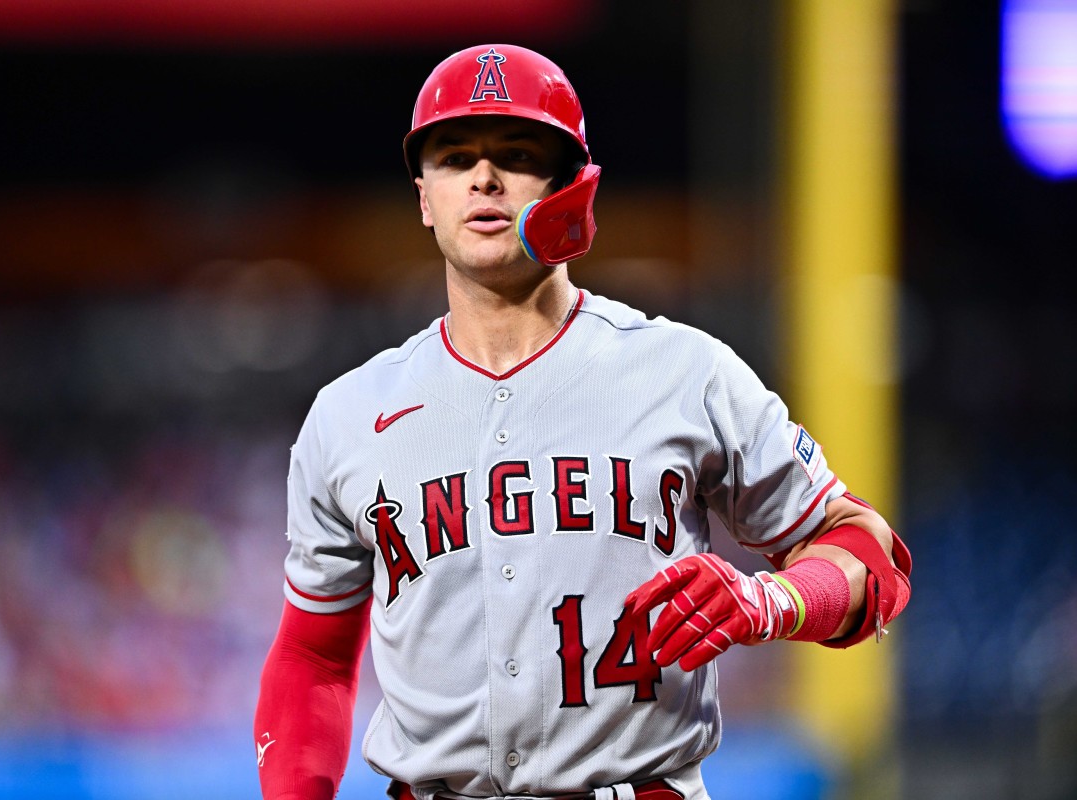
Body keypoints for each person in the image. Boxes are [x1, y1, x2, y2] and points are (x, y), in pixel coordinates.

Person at [253, 43, 912, 800]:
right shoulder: (349, 414)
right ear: (424, 196)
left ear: (572, 185)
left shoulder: (684, 372)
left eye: (519, 152)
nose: (484, 178)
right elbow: (314, 657)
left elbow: (869, 554)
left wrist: (773, 602)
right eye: (454, 156)